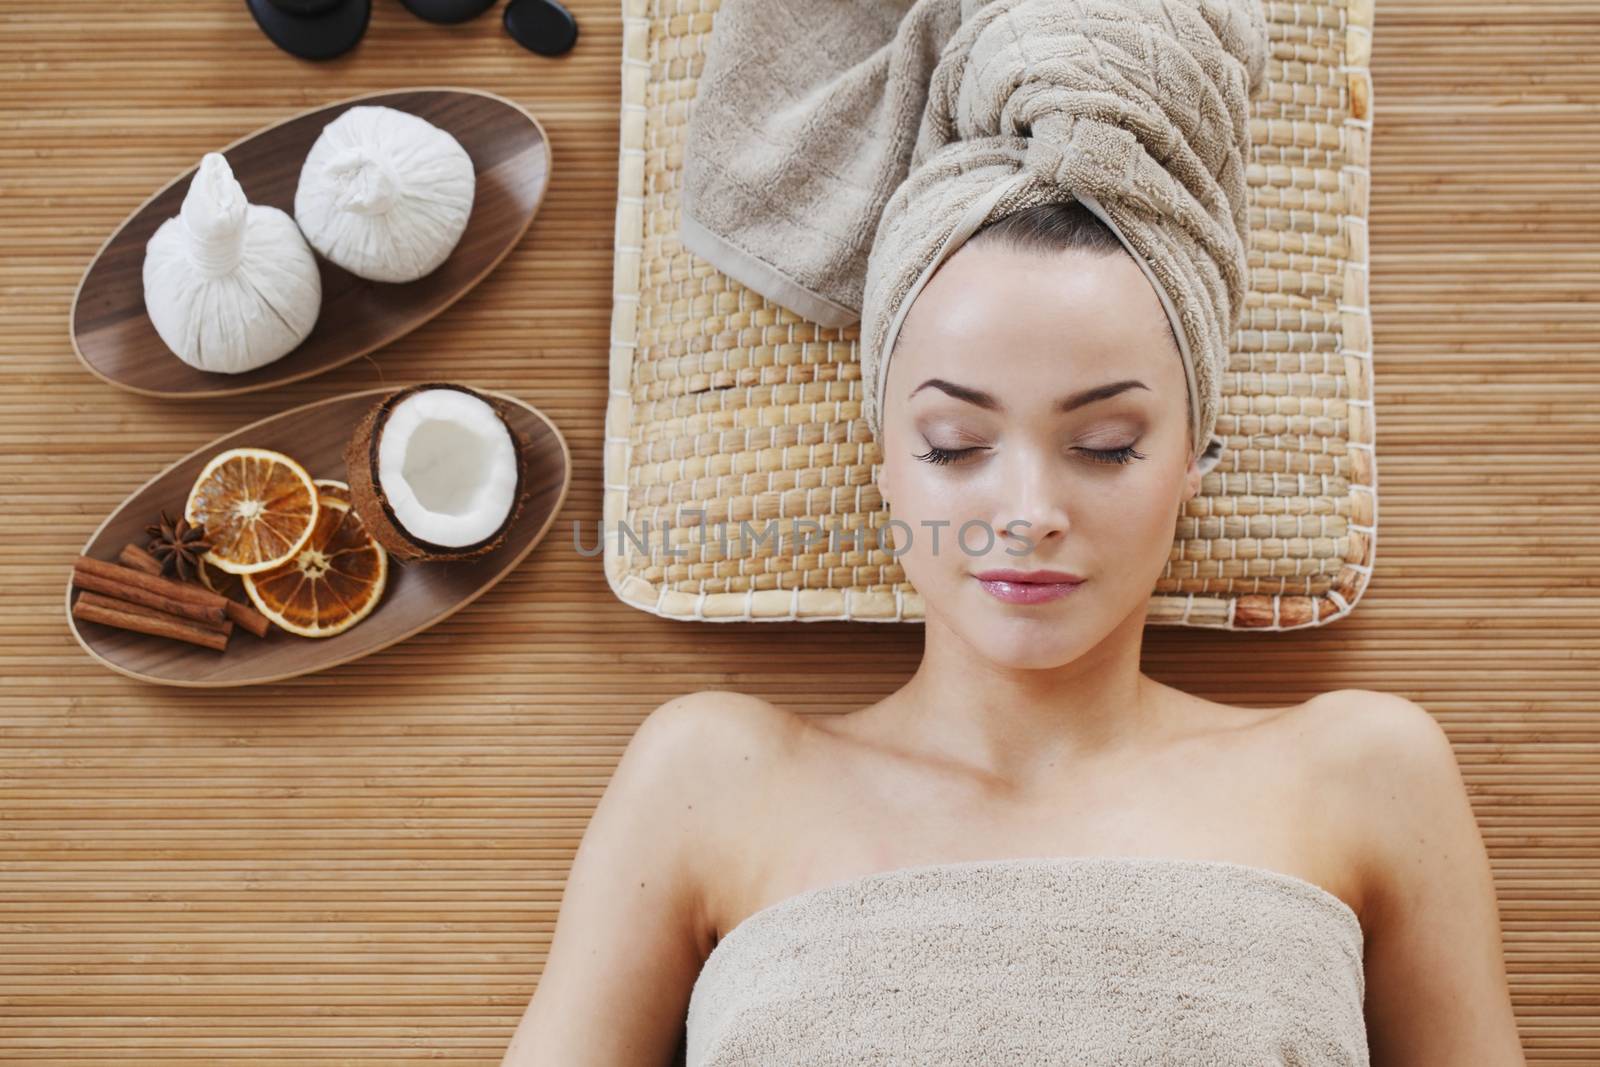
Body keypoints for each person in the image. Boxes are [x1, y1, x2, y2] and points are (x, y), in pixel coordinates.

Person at [500, 201, 1526, 1066]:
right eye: (953, 447)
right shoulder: (713, 775)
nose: (1027, 508)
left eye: (1105, 445)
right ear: (885, 467)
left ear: (1191, 466)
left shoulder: (1363, 771)